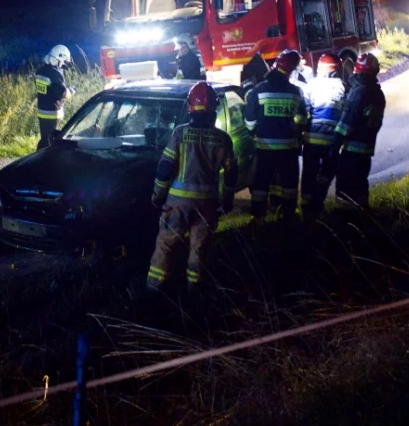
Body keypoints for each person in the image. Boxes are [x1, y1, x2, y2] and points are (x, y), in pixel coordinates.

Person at [147, 82, 237, 292]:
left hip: (178, 204)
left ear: (190, 106)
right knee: (200, 248)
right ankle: (194, 292)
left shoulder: (179, 133)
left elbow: (164, 169)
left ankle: (153, 291)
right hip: (207, 204)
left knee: (166, 245)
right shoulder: (223, 139)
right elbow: (232, 172)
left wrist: (157, 195)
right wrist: (228, 198)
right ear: (214, 107)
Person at [244, 49, 307, 225]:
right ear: (292, 70)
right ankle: (287, 215)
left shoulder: (259, 90)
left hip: (264, 148)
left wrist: (254, 132)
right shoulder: (296, 92)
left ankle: (257, 218)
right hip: (289, 148)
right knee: (288, 184)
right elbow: (302, 119)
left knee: (261, 183)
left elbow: (249, 120)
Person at [332, 53, 385, 209]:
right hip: (366, 150)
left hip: (351, 152)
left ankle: (346, 223)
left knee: (345, 190)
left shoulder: (359, 92)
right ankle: (363, 220)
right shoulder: (378, 94)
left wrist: (334, 147)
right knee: (361, 187)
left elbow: (346, 123)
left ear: (358, 71)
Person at [300, 53, 346, 222]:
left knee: (309, 173)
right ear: (336, 71)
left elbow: (303, 113)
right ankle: (318, 204)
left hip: (311, 139)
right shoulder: (343, 88)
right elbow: (345, 115)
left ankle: (306, 208)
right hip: (331, 141)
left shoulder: (310, 86)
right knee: (327, 172)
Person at [35, 44, 74, 150]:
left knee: (44, 139)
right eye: (63, 61)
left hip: (42, 111)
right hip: (52, 113)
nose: (62, 65)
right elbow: (62, 94)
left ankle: (38, 159)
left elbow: (47, 89)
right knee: (50, 143)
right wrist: (71, 91)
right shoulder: (55, 73)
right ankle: (44, 163)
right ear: (59, 58)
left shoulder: (41, 71)